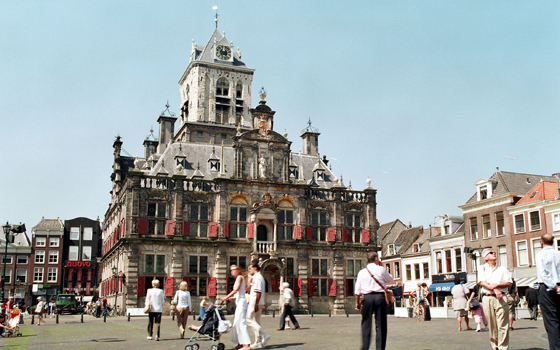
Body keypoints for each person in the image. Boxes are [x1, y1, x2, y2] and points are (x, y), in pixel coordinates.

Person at [355, 251, 393, 350]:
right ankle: (380, 348)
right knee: (380, 324)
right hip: (380, 297)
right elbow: (389, 279)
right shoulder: (380, 269)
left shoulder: (362, 272)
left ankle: (365, 347)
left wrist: (357, 302)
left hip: (367, 298)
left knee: (366, 324)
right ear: (376, 259)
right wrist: (382, 267)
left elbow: (357, 290)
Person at [479, 248, 512, 350]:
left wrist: (497, 284)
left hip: (502, 298)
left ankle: (503, 347)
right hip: (488, 298)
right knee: (492, 325)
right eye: (490, 253)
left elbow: (509, 282)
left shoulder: (503, 269)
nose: (494, 253)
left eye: (494, 252)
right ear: (485, 257)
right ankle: (495, 346)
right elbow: (482, 282)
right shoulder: (482, 268)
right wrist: (496, 290)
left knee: (503, 324)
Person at [536, 233, 560, 349]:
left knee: (551, 322)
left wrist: (554, 286)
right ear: (553, 242)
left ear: (541, 242)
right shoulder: (558, 254)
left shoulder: (541, 254)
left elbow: (543, 274)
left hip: (548, 288)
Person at [220, 265, 251, 350]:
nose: (231, 272)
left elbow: (235, 290)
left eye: (233, 270)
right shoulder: (238, 278)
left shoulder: (240, 277)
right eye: (230, 270)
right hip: (239, 301)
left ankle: (247, 345)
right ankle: (240, 343)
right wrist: (230, 298)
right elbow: (238, 294)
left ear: (238, 270)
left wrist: (226, 297)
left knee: (241, 323)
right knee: (236, 323)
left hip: (242, 303)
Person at [246, 259, 271, 349]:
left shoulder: (257, 277)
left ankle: (264, 335)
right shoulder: (256, 277)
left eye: (250, 268)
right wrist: (249, 278)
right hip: (258, 302)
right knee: (257, 322)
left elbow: (258, 292)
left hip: (255, 302)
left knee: (249, 319)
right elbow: (248, 289)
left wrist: (256, 304)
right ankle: (258, 342)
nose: (249, 270)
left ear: (255, 268)